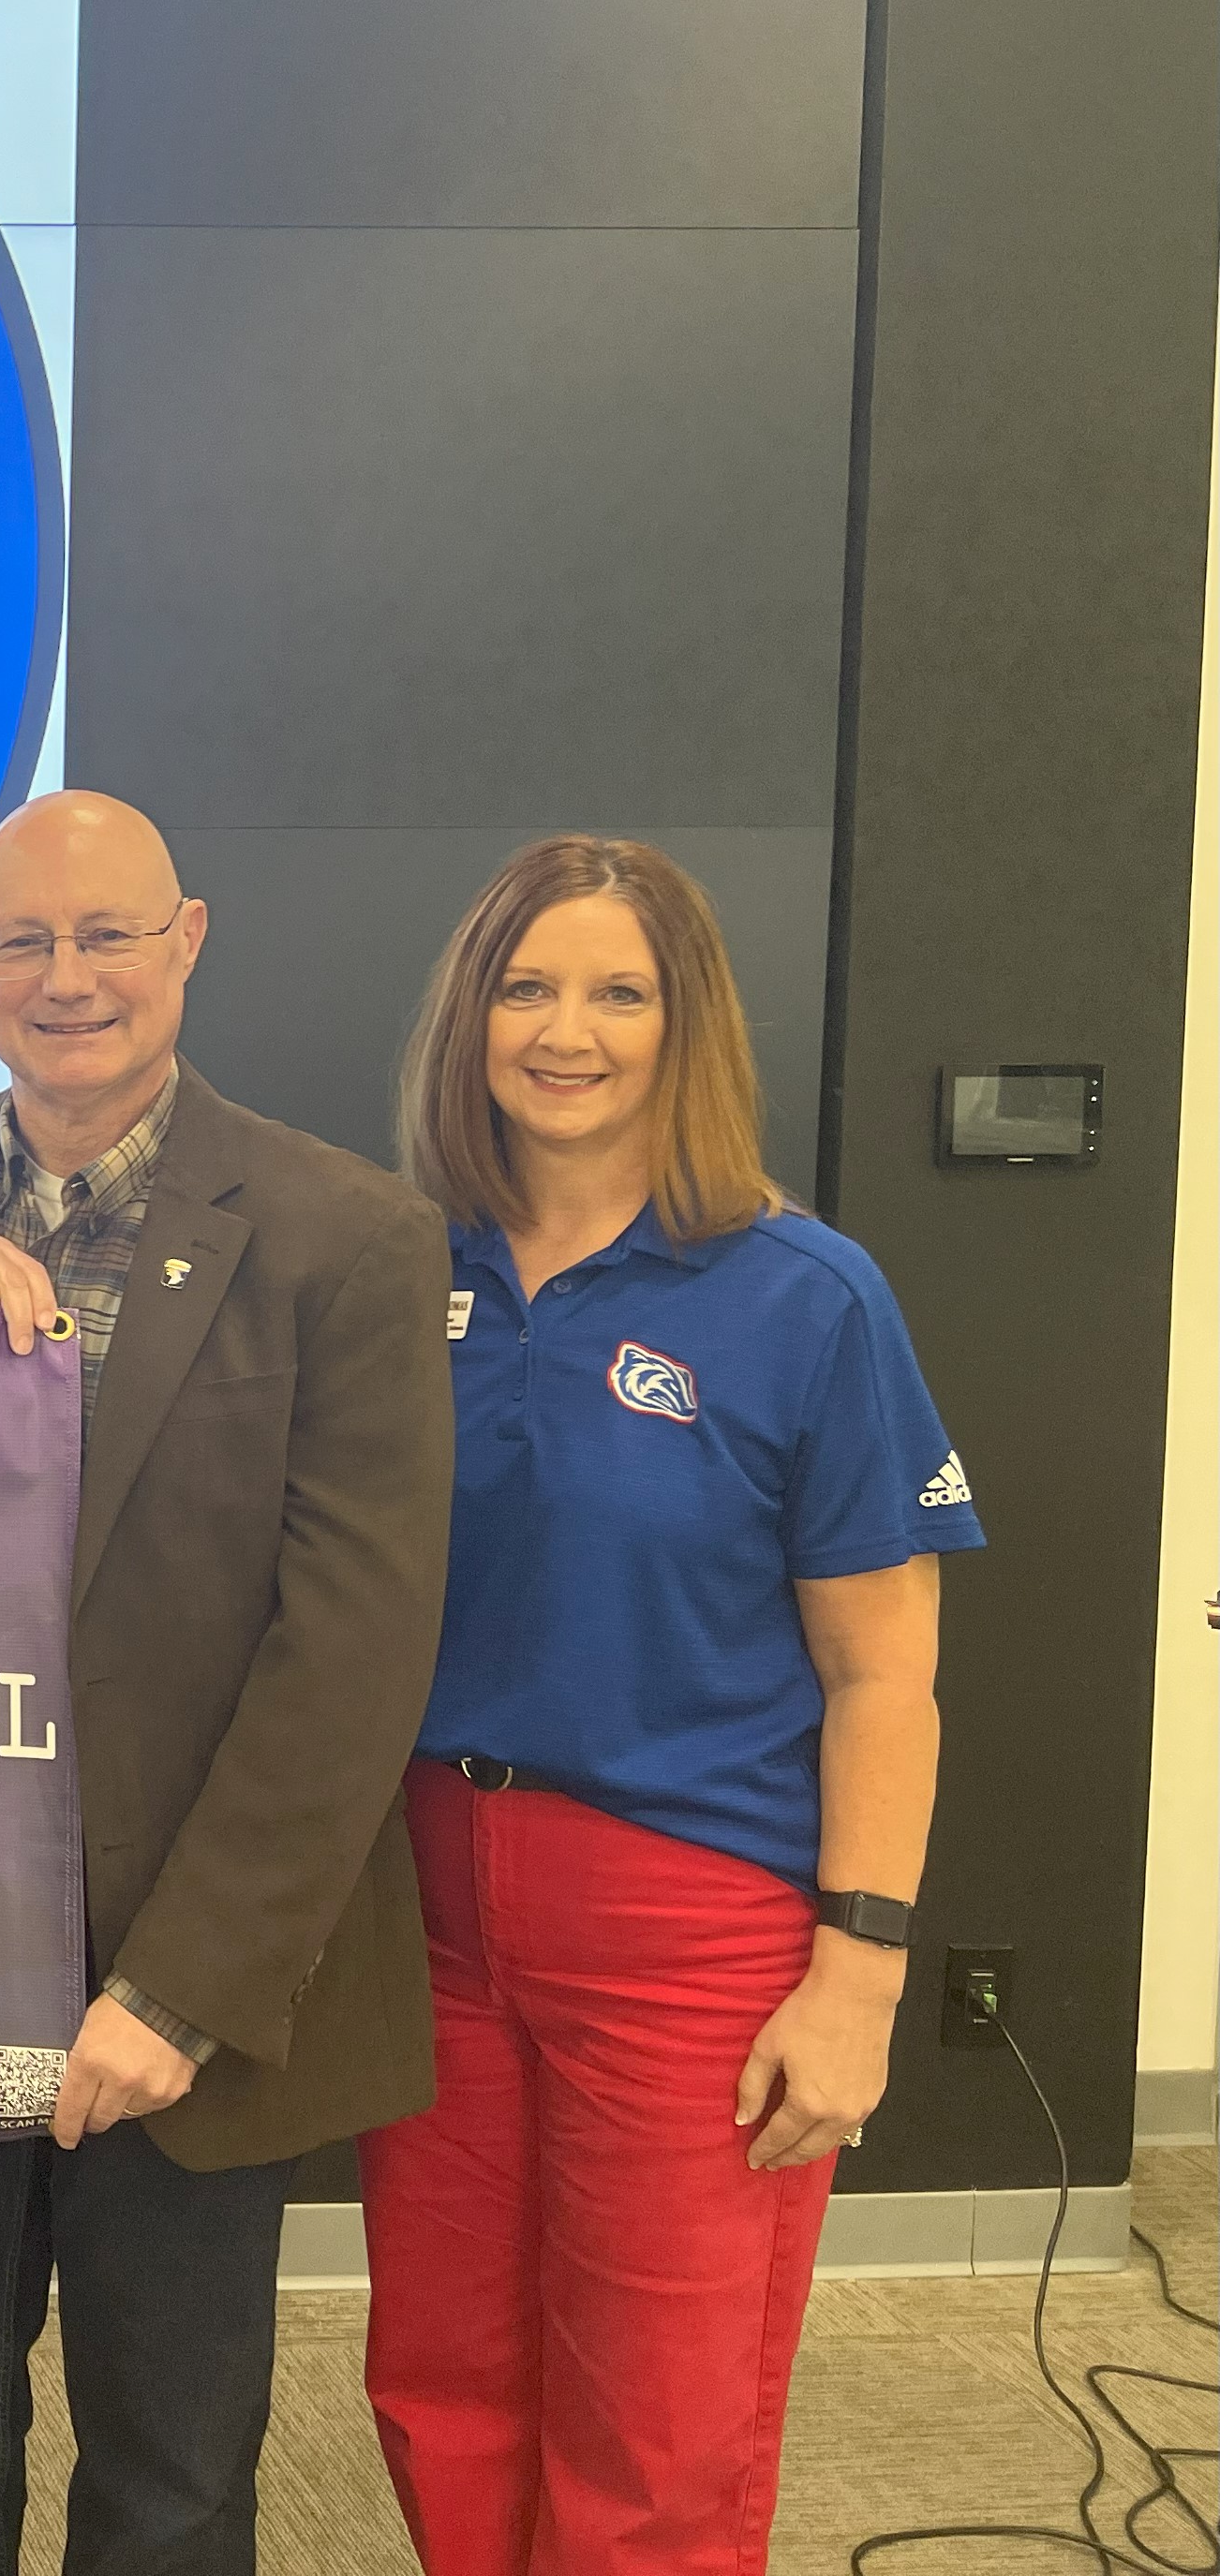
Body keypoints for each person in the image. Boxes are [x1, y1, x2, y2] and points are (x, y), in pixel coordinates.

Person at [0, 788, 456, 2576]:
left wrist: (185, 1988)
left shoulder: (345, 1235)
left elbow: (352, 1653)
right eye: (24, 944)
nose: (68, 980)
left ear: (188, 941)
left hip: (188, 1981)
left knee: (170, 2467)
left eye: (108, 936)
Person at [358, 836, 978, 2573]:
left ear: (683, 1025)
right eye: (527, 986)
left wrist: (858, 1975)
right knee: (442, 2383)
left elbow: (885, 1673)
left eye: (619, 991)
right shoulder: (399, 1273)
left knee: (659, 2424)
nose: (568, 1029)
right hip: (429, 1912)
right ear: (470, 1017)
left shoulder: (806, 1297)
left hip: (689, 1922)